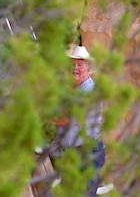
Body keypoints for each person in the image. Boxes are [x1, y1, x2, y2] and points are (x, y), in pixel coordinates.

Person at [54, 45, 106, 196]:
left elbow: (68, 118)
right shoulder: (71, 89)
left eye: (80, 64)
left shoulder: (89, 91)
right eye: (73, 64)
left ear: (88, 69)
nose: (75, 68)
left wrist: (45, 116)